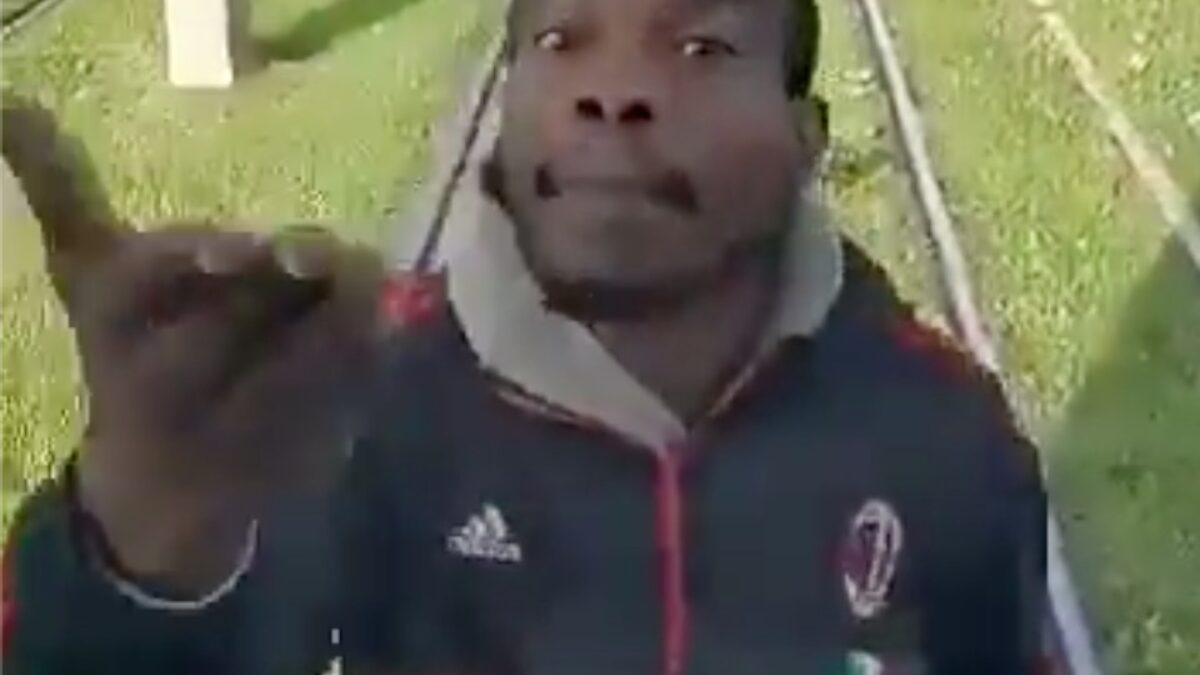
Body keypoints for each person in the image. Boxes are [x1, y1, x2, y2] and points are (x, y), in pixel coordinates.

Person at [1, 0, 1048, 672]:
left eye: (702, 46)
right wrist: (139, 556)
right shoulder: (353, 409)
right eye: (559, 39)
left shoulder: (947, 434)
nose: (614, 90)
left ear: (806, 139)